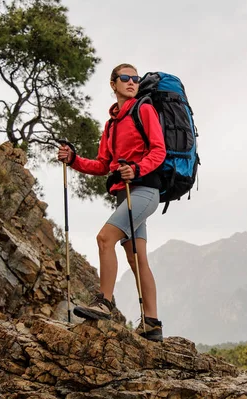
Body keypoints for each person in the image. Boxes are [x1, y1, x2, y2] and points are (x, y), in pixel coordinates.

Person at [57, 63, 166, 342]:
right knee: (136, 257)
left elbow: (159, 150)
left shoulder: (144, 109)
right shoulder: (111, 124)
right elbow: (103, 164)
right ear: (113, 84)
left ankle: (103, 302)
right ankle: (151, 324)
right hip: (124, 193)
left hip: (144, 190)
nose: (131, 82)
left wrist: (138, 169)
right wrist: (73, 160)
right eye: (125, 78)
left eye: (135, 79)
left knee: (105, 238)